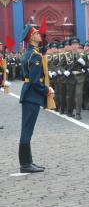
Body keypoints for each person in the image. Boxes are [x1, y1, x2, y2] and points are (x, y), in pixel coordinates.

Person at [19, 25, 54, 173]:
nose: (40, 35)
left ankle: (28, 162)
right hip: (32, 96)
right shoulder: (35, 56)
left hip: (28, 94)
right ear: (32, 37)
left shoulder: (29, 53)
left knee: (27, 129)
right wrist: (47, 90)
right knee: (27, 130)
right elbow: (34, 81)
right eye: (37, 33)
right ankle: (25, 164)